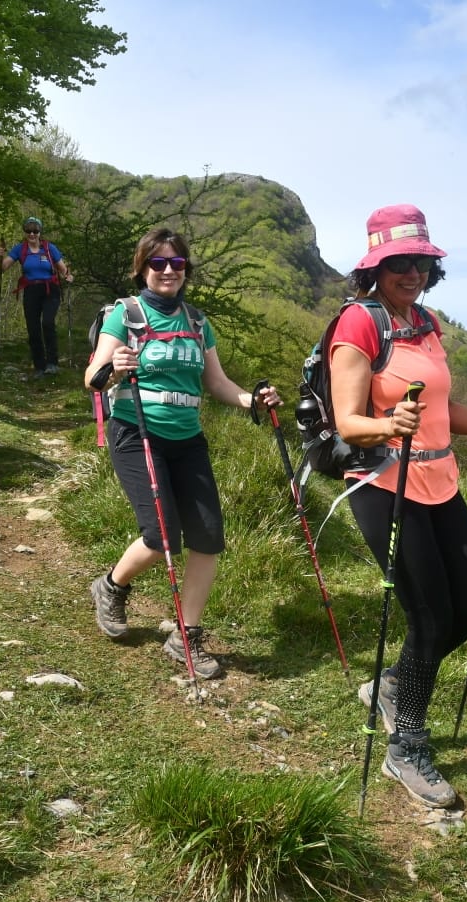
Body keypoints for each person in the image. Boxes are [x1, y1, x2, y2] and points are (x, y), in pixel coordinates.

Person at [328, 204, 467, 808]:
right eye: (400, 263)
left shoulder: (425, 323)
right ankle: (406, 745)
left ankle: (394, 684)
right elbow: (348, 421)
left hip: (440, 481)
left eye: (421, 263)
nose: (413, 273)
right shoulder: (358, 323)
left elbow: (442, 412)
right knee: (428, 616)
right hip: (383, 484)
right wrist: (387, 423)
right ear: (376, 267)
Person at [84, 227, 280, 680]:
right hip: (136, 431)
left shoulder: (197, 321)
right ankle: (111, 586)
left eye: (177, 263)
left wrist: (253, 399)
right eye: (159, 263)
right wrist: (113, 368)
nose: (169, 270)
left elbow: (218, 383)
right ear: (143, 268)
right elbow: (93, 376)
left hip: (187, 438)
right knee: (161, 535)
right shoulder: (126, 314)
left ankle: (185, 635)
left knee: (208, 536)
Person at [0, 217, 73, 378]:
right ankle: (39, 366)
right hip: (31, 290)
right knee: (33, 328)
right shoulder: (20, 249)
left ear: (40, 232)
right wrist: (0, 256)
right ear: (25, 232)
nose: (32, 234)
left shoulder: (49, 248)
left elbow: (63, 269)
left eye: (35, 230)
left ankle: (52, 363)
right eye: (28, 230)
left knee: (47, 322)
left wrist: (68, 276)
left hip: (50, 290)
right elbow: (3, 268)